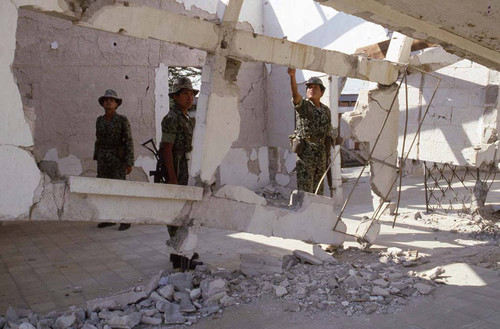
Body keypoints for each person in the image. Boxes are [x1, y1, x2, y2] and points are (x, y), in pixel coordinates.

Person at [160, 77, 201, 270]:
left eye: (191, 93)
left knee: (186, 211)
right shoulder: (172, 118)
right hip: (176, 167)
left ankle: (183, 250)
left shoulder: (186, 117)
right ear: (175, 96)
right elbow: (166, 148)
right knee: (176, 212)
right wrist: (172, 177)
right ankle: (179, 254)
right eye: (185, 93)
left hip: (185, 166)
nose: (189, 97)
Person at [287, 68, 337, 195]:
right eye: (309, 87)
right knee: (305, 191)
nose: (311, 89)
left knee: (319, 189)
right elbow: (295, 95)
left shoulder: (326, 110)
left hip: (321, 153)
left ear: (321, 92)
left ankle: (316, 213)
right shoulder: (304, 105)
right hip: (306, 153)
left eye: (315, 87)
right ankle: (304, 214)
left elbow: (328, 128)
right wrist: (293, 77)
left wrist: (334, 136)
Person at [93, 89, 134, 231]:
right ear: (103, 104)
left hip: (117, 158)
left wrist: (129, 161)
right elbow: (98, 140)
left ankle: (125, 218)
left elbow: (128, 140)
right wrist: (97, 157)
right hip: (103, 158)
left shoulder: (122, 120)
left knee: (120, 188)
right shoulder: (99, 120)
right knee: (104, 189)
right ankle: (109, 218)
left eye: (112, 100)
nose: (108, 101)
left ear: (116, 104)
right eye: (106, 100)